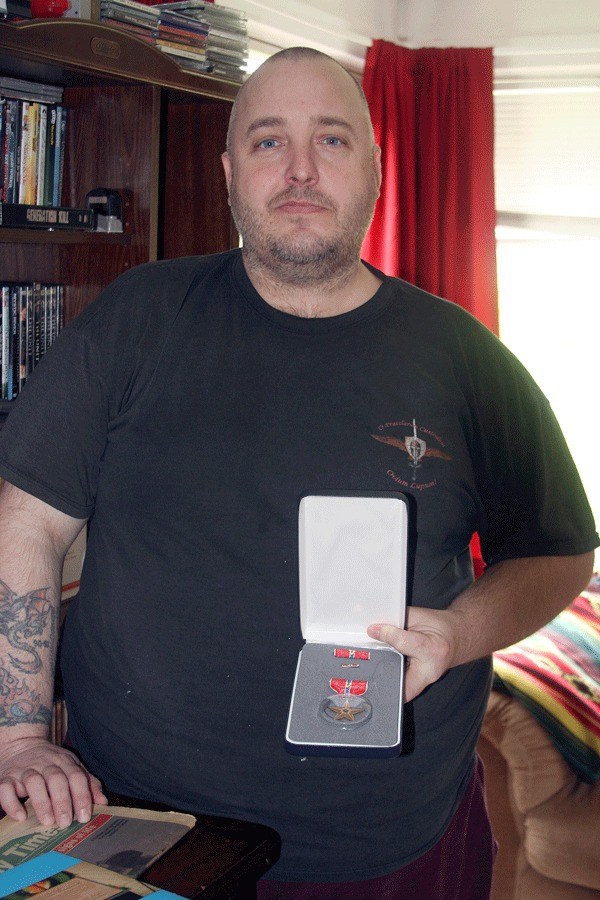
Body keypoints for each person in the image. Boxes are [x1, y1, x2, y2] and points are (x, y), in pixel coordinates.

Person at [0, 46, 596, 899]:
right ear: (229, 173)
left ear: (376, 168)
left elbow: (558, 550)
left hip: (394, 844)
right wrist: (19, 738)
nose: (302, 170)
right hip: (147, 832)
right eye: (269, 141)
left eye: (333, 140)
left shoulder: (465, 358)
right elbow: (26, 520)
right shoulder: (137, 316)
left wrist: (460, 632)